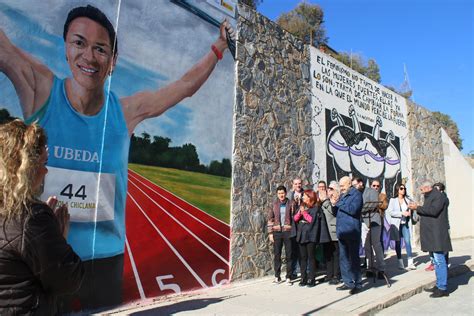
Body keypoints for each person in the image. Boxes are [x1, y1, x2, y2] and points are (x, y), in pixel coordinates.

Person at [0, 5, 235, 310]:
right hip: (42, 254)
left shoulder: (125, 112)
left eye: (100, 49)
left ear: (112, 62)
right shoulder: (41, 90)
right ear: (66, 48)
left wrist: (218, 48)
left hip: (105, 262)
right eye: (79, 43)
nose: (89, 56)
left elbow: (184, 86)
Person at [0, 120, 84, 314]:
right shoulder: (32, 217)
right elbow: (68, 279)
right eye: (43, 163)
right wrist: (59, 238)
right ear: (23, 169)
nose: (46, 171)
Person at [409, 180, 452, 298]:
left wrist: (418, 207)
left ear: (427, 188)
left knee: (439, 261)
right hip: (432, 235)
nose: (421, 192)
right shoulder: (431, 196)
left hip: (437, 235)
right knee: (436, 261)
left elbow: (433, 211)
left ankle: (442, 288)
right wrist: (418, 207)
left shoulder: (439, 196)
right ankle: (439, 285)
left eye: (422, 190)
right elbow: (428, 210)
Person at [335, 176, 363, 295]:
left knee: (353, 258)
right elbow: (337, 211)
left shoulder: (356, 195)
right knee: (343, 258)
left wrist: (338, 203)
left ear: (349, 184)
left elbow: (353, 210)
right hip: (342, 231)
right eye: (340, 186)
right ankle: (348, 282)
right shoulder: (342, 195)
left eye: (343, 186)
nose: (341, 188)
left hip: (352, 231)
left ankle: (357, 283)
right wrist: (333, 203)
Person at [386, 183, 416, 270]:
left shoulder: (408, 199)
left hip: (405, 223)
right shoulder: (393, 200)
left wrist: (410, 212)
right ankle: (400, 262)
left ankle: (410, 262)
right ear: (397, 189)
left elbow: (412, 209)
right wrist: (401, 213)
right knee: (398, 242)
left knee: (407, 242)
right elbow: (390, 212)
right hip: (396, 224)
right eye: (402, 188)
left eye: (404, 188)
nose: (403, 190)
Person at [267, 185, 293, 284]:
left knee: (289, 255)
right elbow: (270, 219)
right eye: (279, 193)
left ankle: (289, 277)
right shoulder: (274, 204)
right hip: (277, 232)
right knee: (277, 255)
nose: (281, 195)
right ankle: (277, 276)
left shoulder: (291, 204)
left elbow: (294, 218)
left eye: (282, 193)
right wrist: (270, 233)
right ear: (277, 194)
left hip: (288, 232)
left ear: (285, 193)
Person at [293, 190, 319, 287]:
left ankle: (311, 278)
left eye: (304, 196)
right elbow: (295, 219)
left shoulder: (315, 208)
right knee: (302, 258)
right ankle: (303, 278)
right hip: (301, 236)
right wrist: (300, 212)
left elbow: (311, 220)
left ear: (309, 197)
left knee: (311, 258)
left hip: (310, 236)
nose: (303, 197)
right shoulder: (302, 207)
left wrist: (304, 213)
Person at [363, 179, 387, 279]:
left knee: (377, 245)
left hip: (376, 222)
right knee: (367, 245)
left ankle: (382, 269)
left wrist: (377, 203)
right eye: (374, 186)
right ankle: (370, 267)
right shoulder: (366, 194)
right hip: (366, 221)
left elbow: (384, 205)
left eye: (377, 186)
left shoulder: (381, 196)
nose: (376, 187)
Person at [424, 182, 450, 271]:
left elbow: (434, 211)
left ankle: (444, 264)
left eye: (437, 189)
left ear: (442, 191)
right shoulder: (434, 198)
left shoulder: (443, 199)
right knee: (433, 249)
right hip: (433, 228)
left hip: (442, 226)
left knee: (442, 249)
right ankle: (433, 263)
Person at [321, 181, 341, 285]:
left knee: (336, 254)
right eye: (329, 189)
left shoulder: (337, 201)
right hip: (326, 232)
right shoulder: (327, 201)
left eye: (332, 189)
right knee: (328, 254)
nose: (329, 191)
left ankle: (336, 275)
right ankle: (329, 274)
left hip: (334, 231)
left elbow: (333, 211)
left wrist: (325, 201)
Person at [288, 177, 304, 279]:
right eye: (296, 184)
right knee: (293, 250)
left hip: (302, 225)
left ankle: (304, 271)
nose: (298, 185)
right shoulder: (289, 196)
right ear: (293, 185)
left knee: (303, 250)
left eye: (299, 183)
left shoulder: (305, 194)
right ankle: (293, 272)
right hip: (293, 226)